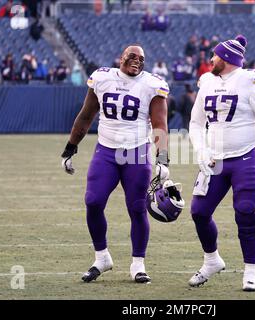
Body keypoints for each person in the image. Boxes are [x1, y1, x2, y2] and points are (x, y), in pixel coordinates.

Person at [188, 35, 255, 291]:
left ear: (225, 58)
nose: (210, 58)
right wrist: (201, 150)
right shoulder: (207, 81)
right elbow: (195, 123)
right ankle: (212, 260)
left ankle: (250, 271)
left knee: (246, 210)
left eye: (215, 55)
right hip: (214, 158)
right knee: (199, 212)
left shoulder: (252, 80)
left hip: (245, 155)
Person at [60, 45, 170, 284]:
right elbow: (86, 115)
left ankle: (138, 264)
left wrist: (163, 158)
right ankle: (102, 258)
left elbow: (160, 123)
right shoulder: (102, 78)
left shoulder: (152, 84)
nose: (137, 61)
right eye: (132, 56)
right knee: (93, 201)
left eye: (142, 58)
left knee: (137, 208)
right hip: (106, 151)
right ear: (121, 57)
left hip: (137, 153)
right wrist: (71, 147)